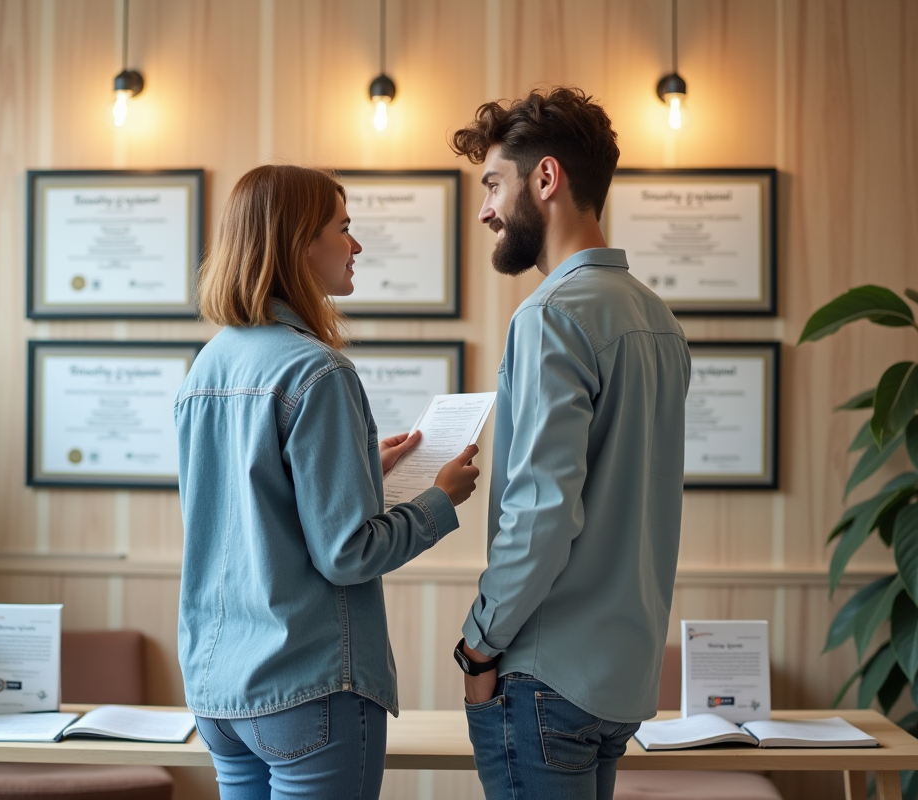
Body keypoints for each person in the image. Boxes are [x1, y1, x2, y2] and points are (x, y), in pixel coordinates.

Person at [175, 164, 480, 800]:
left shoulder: (207, 366)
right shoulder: (318, 372)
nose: (356, 246)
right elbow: (348, 555)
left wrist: (364, 464)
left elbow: (247, 508)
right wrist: (438, 501)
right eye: (343, 228)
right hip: (308, 687)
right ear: (299, 244)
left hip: (219, 692)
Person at [447, 87, 692, 799]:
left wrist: (477, 644)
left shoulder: (550, 317)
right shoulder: (658, 321)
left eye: (494, 184)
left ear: (545, 178)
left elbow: (541, 514)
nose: (487, 209)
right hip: (619, 683)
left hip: (543, 678)